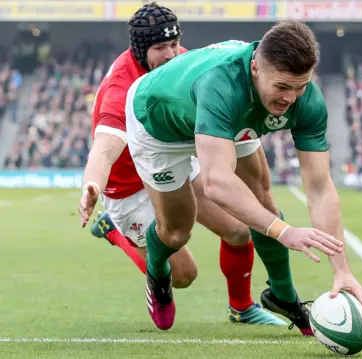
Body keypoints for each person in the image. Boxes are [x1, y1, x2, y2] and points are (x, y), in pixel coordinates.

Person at [124, 22, 362, 333]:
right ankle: (157, 271)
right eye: (282, 87)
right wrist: (284, 231)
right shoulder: (221, 86)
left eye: (301, 86)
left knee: (264, 204)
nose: (292, 99)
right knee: (176, 232)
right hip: (159, 125)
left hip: (230, 117)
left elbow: (320, 188)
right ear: (255, 68)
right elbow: (216, 182)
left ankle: (282, 296)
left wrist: (342, 270)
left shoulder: (304, 98)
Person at [77, 2, 284, 328]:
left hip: (173, 161)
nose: (173, 54)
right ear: (141, 49)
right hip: (129, 186)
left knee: (239, 228)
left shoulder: (181, 60)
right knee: (184, 275)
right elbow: (103, 150)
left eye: (175, 44)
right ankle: (115, 232)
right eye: (161, 47)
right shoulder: (121, 90)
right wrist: (92, 183)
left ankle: (241, 308)